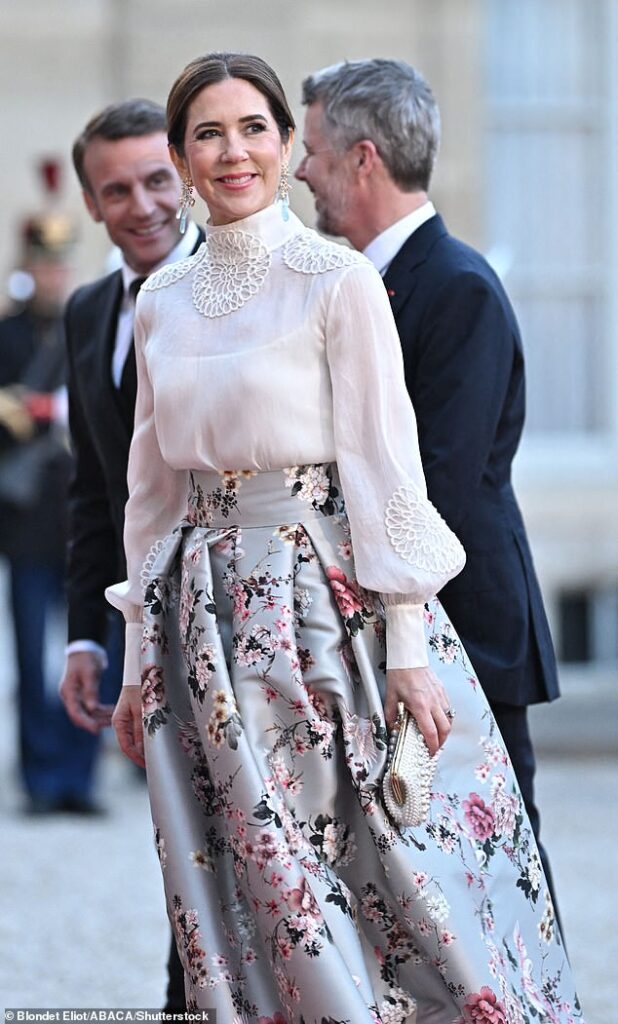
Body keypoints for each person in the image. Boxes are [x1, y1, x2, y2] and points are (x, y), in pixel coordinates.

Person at [108, 52, 583, 1022]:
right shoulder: (160, 301)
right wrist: (131, 668)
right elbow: (148, 501)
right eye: (208, 132)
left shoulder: (336, 281)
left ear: (288, 148)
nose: (232, 149)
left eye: (253, 128)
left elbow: (385, 470)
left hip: (321, 610)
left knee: (361, 874)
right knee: (233, 878)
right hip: (197, 627)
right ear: (184, 159)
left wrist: (408, 653)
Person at [295, 57, 561, 904]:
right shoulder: (362, 284)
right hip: (400, 626)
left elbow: (434, 486)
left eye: (311, 151)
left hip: (466, 628)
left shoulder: (456, 288)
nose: (298, 170)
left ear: (362, 158)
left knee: (498, 872)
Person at [59, 99, 203, 1010]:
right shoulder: (83, 311)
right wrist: (86, 637)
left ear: (184, 180)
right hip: (144, 624)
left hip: (240, 616)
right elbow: (92, 490)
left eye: (158, 181)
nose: (143, 205)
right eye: (118, 190)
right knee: (181, 840)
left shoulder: (237, 289)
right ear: (91, 203)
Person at [0, 208, 104, 815]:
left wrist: (45, 409)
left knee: (87, 651)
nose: (52, 273)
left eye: (60, 263)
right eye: (44, 263)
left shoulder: (85, 327)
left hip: (80, 521)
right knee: (31, 651)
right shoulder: (8, 335)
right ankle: (40, 778)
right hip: (23, 520)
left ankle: (78, 776)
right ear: (28, 265)